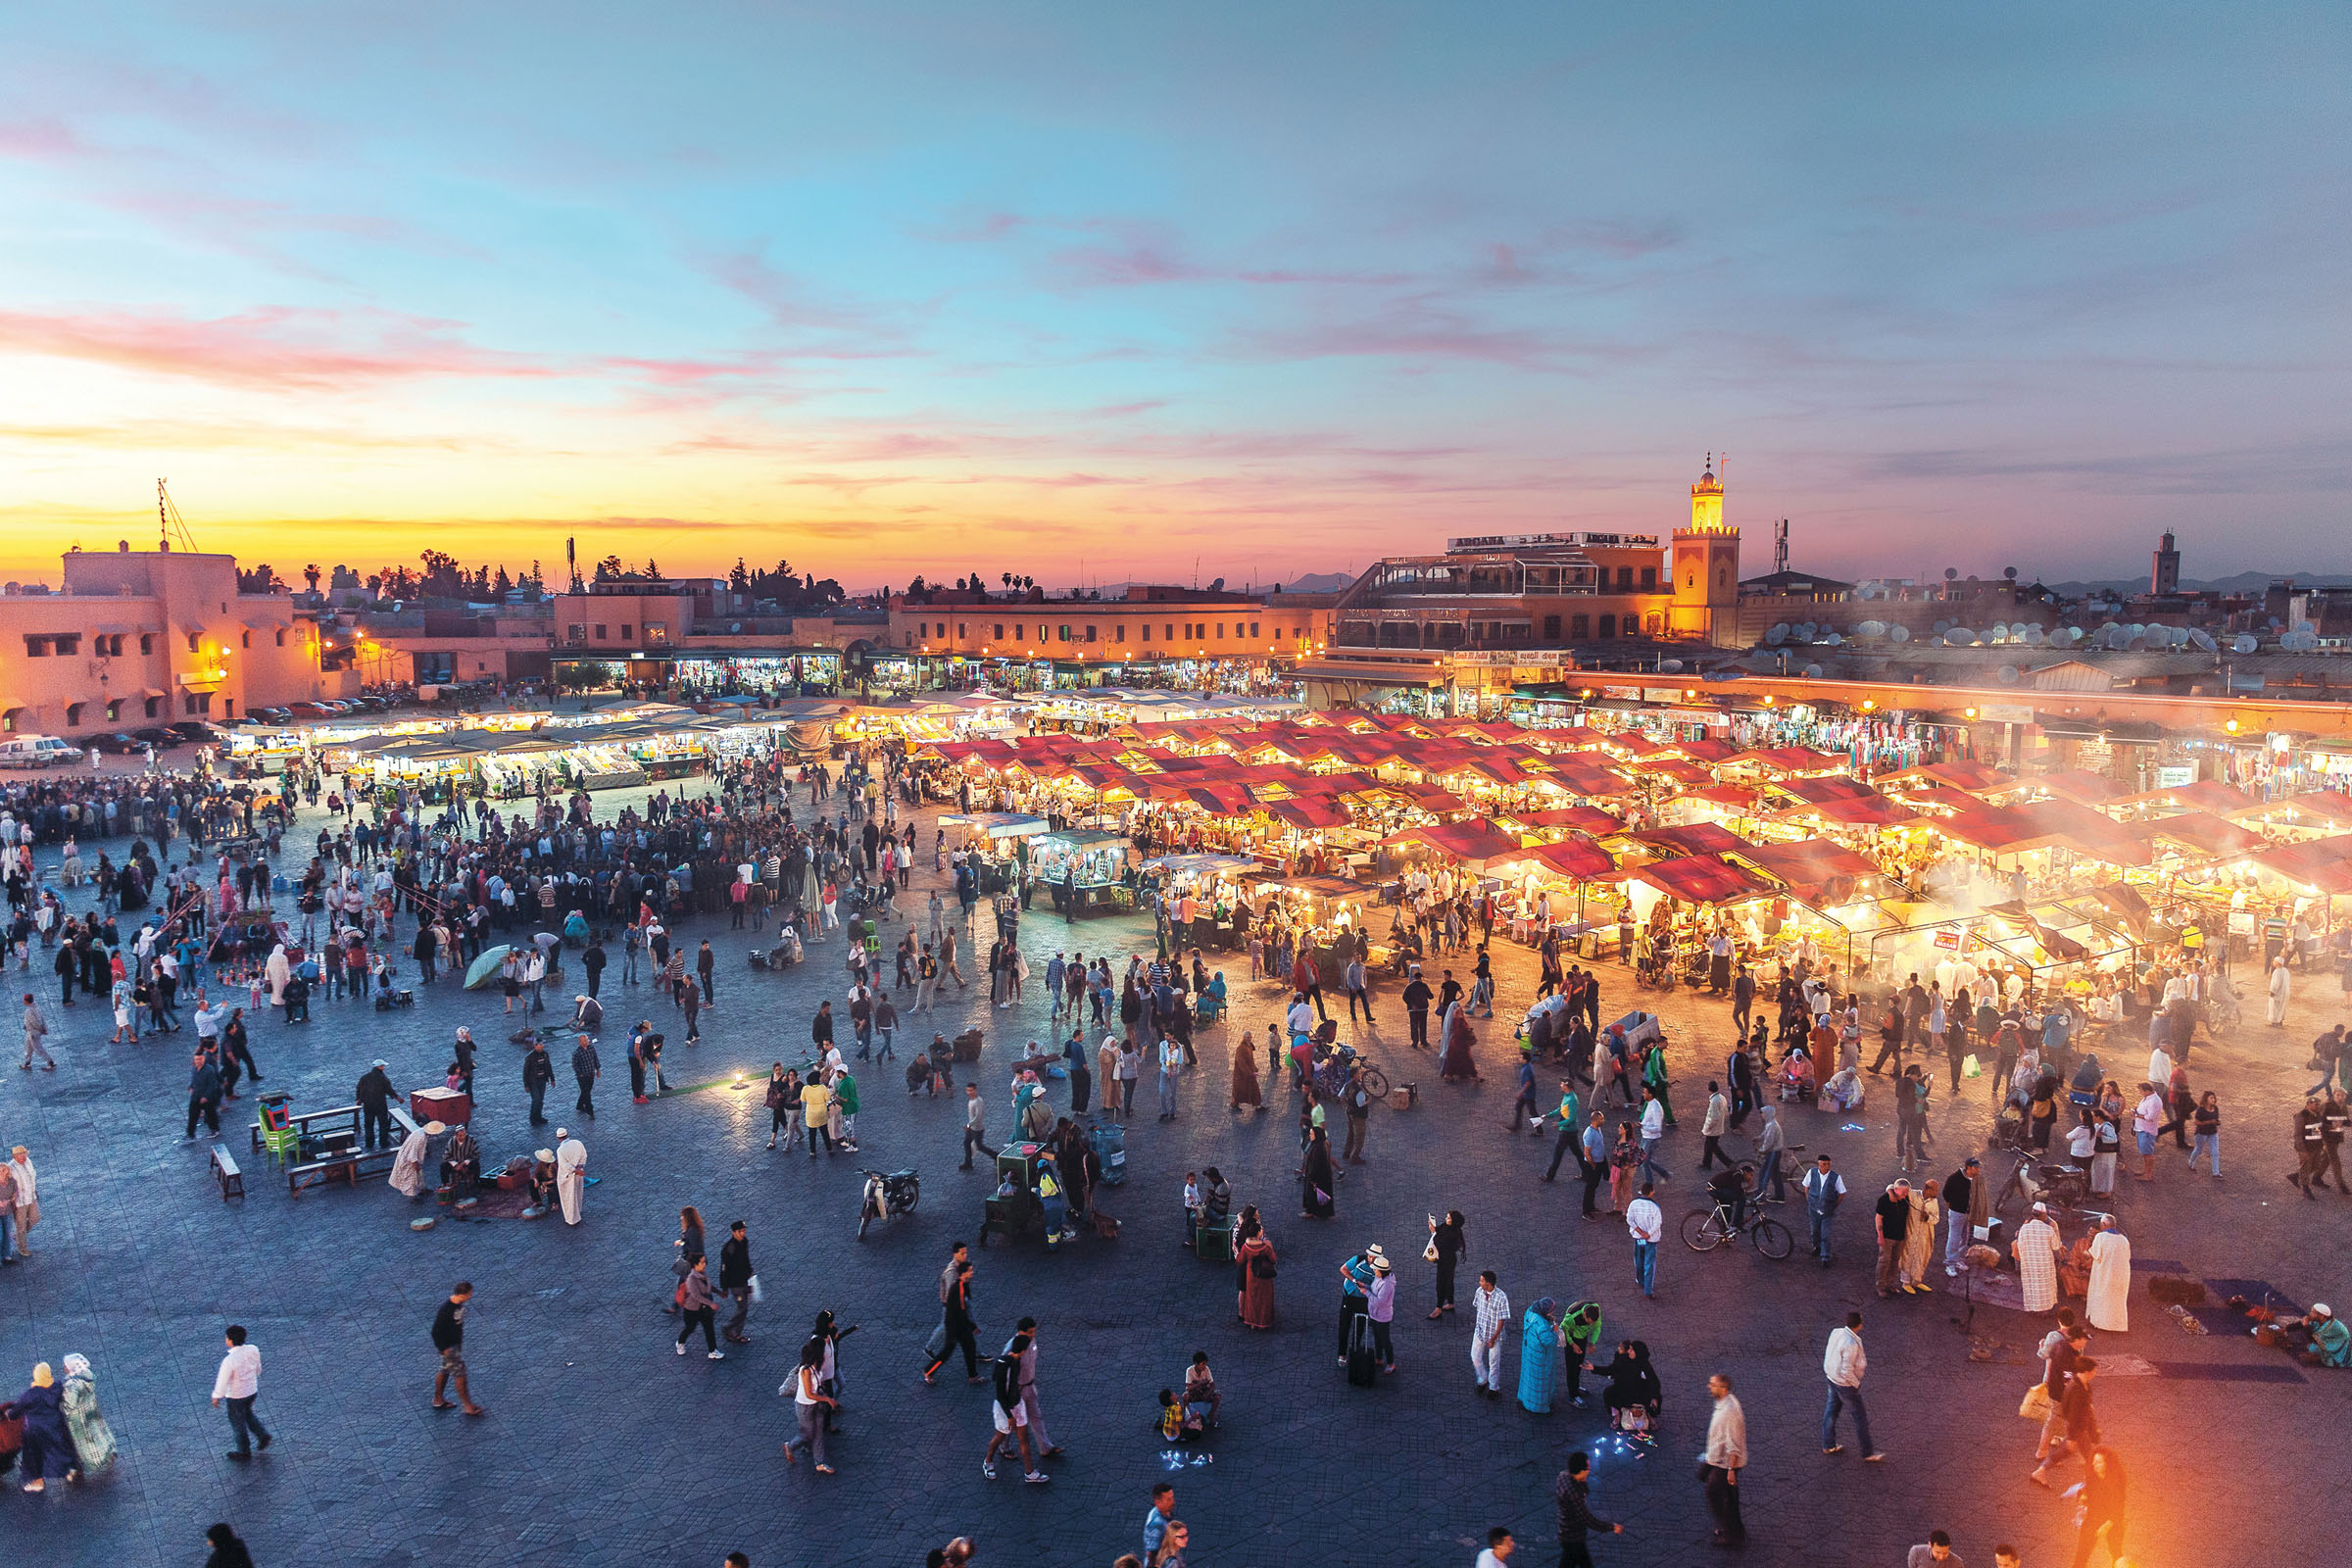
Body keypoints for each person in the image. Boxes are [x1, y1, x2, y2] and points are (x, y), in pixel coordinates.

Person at [980, 1323, 1049, 1484]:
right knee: (999, 1436)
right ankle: (988, 1461)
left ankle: (1030, 1472)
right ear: (1023, 1350)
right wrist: (1010, 1415)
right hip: (1005, 1408)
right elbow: (1000, 1393)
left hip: (1016, 1404)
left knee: (1023, 1438)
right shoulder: (1004, 1365)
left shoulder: (1015, 1361)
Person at [1821, 1310, 1885, 1460]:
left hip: (1831, 1378)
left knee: (1831, 1411)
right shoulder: (1851, 1345)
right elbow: (1847, 1370)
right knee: (1860, 1417)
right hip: (1845, 1385)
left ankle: (1828, 1444)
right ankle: (1867, 1452)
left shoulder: (1836, 1332)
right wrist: (1855, 1384)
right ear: (1858, 1325)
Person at [208, 1324, 271, 1460]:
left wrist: (216, 1396)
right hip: (251, 1390)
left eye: (226, 1337)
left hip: (236, 1395)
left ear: (230, 1340)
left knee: (237, 1422)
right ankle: (262, 1434)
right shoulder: (253, 1349)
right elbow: (258, 1367)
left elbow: (222, 1380)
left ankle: (243, 1451)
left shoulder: (229, 1360)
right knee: (247, 1413)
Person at [1700, 1372, 1746, 1546]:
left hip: (1725, 1464)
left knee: (1716, 1496)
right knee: (1729, 1498)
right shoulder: (1723, 1403)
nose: (1708, 1386)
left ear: (1723, 1388)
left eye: (1712, 1384)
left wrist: (1731, 1471)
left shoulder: (1730, 1411)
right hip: (1718, 1460)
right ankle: (1734, 1530)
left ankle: (1732, 1535)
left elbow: (1734, 1443)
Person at [780, 1340, 836, 1474]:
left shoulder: (817, 1366)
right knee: (808, 1434)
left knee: (818, 1434)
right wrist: (827, 1399)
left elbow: (818, 1384)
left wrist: (823, 1391)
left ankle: (820, 1463)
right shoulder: (805, 1370)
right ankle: (790, 1446)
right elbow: (809, 1394)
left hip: (817, 1404)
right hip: (804, 1406)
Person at [431, 1282, 485, 1415]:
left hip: (453, 1346)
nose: (471, 1296)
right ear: (464, 1294)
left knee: (445, 1369)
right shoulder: (446, 1310)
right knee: (460, 1374)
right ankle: (468, 1406)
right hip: (449, 1349)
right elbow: (436, 1331)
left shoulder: (458, 1305)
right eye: (470, 1293)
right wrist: (444, 1348)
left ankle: (438, 1400)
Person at [59, 1353, 117, 1478]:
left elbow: (69, 1405)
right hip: (91, 1411)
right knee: (98, 1434)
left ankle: (89, 1463)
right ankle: (108, 1453)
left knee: (84, 1444)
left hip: (78, 1419)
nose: (64, 1367)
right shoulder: (87, 1376)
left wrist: (59, 1405)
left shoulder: (72, 1385)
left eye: (66, 1365)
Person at [2071, 1446, 2128, 1568]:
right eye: (2093, 1461)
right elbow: (2087, 1492)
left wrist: (2107, 1525)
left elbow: (2118, 1508)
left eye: (2098, 1462)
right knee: (2081, 1555)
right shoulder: (2092, 1476)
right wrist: (2083, 1496)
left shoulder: (2117, 1481)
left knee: (2116, 1554)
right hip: (2093, 1518)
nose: (2093, 1464)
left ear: (2107, 1464)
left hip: (2112, 1521)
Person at [2085, 1213, 2131, 1332]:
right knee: (2117, 1300)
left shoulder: (2100, 1237)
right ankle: (2117, 1326)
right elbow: (2127, 1257)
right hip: (2121, 1276)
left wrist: (2086, 1253)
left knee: (2102, 1298)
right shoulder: (2124, 1240)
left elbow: (2095, 1254)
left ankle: (2100, 1323)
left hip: (2104, 1275)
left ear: (2103, 1225)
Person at [2015, 1203, 2062, 1314]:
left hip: (2029, 1263)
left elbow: (2019, 1245)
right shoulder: (2049, 1229)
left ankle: (2034, 1308)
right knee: (2046, 1287)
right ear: (2044, 1215)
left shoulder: (2024, 1228)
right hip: (2045, 1264)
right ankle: (2046, 1310)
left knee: (2032, 1286)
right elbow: (2056, 1247)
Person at [1517, 1296, 1561, 1413]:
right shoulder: (1541, 1324)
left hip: (1528, 1352)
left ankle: (1525, 1399)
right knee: (1539, 1382)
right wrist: (1555, 1331)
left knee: (1527, 1377)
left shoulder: (1530, 1311)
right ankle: (1538, 1407)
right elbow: (1549, 1341)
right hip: (1540, 1358)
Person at [1236, 1209, 1278, 1329]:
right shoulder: (1266, 1246)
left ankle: (1252, 1322)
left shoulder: (1246, 1246)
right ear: (1258, 1232)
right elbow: (1274, 1259)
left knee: (1252, 1298)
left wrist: (1236, 1252)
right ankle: (1263, 1322)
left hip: (1251, 1274)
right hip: (1264, 1276)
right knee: (1264, 1299)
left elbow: (1239, 1260)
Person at [1470, 1269, 1510, 1396]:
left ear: (1488, 1284)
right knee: (1475, 1356)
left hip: (1495, 1336)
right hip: (1480, 1332)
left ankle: (1494, 1388)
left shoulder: (1501, 1297)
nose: (1479, 1282)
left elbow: (1501, 1320)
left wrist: (1493, 1338)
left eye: (1481, 1281)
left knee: (1494, 1362)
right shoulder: (1479, 1292)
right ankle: (1483, 1379)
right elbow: (1478, 1308)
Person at [1873, 1179, 1912, 1298]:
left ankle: (1890, 1284)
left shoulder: (1905, 1199)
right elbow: (1878, 1219)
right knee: (1884, 1261)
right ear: (1896, 1190)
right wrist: (1880, 1236)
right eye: (1903, 1193)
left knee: (1895, 1262)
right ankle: (1881, 1286)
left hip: (1900, 1237)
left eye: (1907, 1193)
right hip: (1887, 1237)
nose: (1905, 1195)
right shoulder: (1884, 1200)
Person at [719, 1220, 756, 1345]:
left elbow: (746, 1258)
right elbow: (724, 1270)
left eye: (743, 1231)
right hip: (735, 1284)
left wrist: (750, 1272)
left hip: (744, 1280)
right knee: (742, 1308)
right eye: (740, 1232)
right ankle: (729, 1329)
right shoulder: (728, 1249)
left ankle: (735, 1332)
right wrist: (724, 1288)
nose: (742, 1234)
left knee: (743, 1308)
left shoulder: (744, 1242)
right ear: (733, 1232)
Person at [1626, 1182, 1662, 1298]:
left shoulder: (1634, 1204)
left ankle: (1640, 1279)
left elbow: (1629, 1220)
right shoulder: (1654, 1206)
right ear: (1651, 1192)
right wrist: (1648, 1234)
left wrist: (1641, 1233)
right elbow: (1658, 1223)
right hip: (1651, 1240)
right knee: (1649, 1262)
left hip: (1639, 1238)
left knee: (1639, 1258)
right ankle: (1648, 1290)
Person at [1428, 1210, 1466, 1319]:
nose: (1446, 1219)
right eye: (1447, 1217)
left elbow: (1439, 1242)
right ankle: (1450, 1303)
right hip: (1446, 1259)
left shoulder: (1453, 1234)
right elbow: (1440, 1230)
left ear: (1454, 1221)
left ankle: (1438, 1308)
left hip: (1447, 1261)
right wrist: (1434, 1228)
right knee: (1449, 1282)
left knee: (1441, 1283)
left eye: (1449, 1218)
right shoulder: (1449, 1227)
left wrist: (1433, 1232)